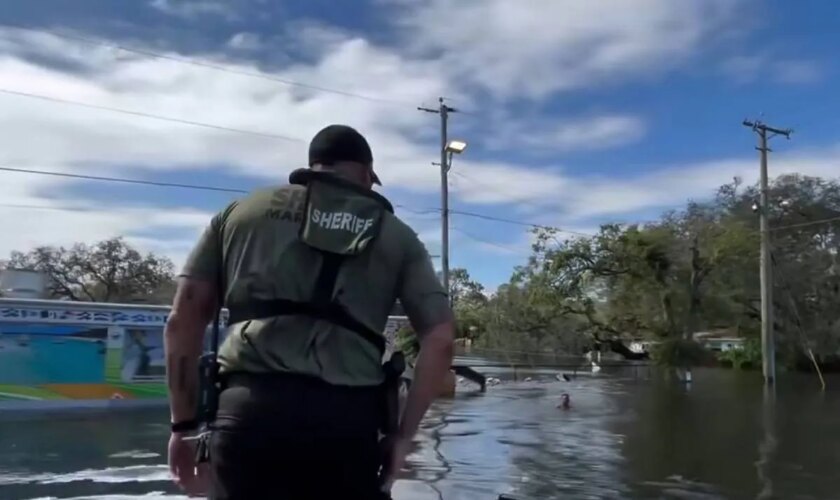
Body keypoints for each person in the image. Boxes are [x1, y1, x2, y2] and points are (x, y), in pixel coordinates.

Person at [164, 124, 455, 499]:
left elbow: (182, 320)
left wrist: (183, 427)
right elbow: (441, 340)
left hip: (248, 417)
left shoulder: (240, 214)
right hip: (347, 426)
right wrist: (402, 438)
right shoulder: (397, 235)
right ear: (367, 175)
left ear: (313, 166)